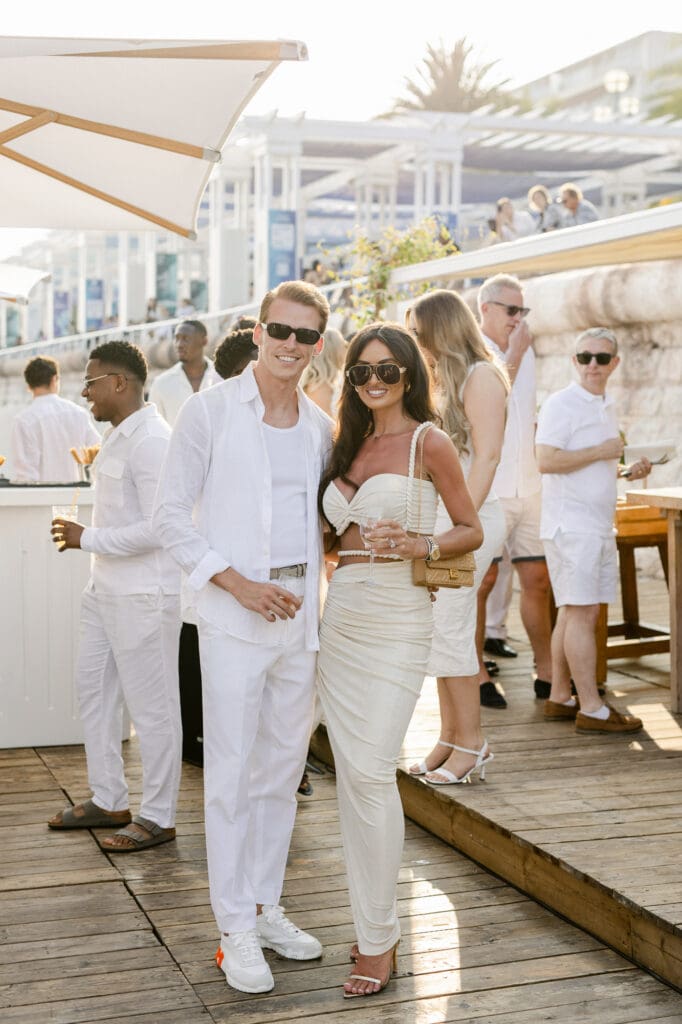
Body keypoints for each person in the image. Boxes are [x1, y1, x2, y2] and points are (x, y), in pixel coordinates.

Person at [153, 281, 332, 996]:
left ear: (319, 346)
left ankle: (264, 906)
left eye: (306, 336)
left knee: (281, 774)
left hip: (300, 622)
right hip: (234, 618)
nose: (291, 345)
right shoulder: (210, 411)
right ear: (257, 332)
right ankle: (232, 928)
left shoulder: (320, 425)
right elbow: (171, 519)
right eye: (280, 331)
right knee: (228, 775)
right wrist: (239, 585)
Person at [317, 322, 482, 998]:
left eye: (386, 368)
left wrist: (420, 546)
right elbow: (332, 542)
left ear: (410, 372)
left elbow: (471, 528)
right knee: (350, 780)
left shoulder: (427, 441)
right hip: (342, 618)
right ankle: (368, 925)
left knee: (368, 771)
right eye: (361, 371)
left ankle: (380, 940)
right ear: (350, 380)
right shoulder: (343, 443)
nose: (374, 380)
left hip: (397, 620)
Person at [48, 341, 182, 852]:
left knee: (153, 710)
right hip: (103, 589)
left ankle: (159, 815)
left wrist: (89, 538)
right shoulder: (121, 436)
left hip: (144, 596)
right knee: (94, 695)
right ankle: (109, 799)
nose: (84, 392)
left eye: (91, 381)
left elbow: (161, 528)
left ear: (120, 383)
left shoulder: (152, 440)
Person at [404, 290, 509, 785]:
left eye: (418, 334)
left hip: (475, 516)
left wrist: (460, 523)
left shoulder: (482, 376)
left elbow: (486, 457)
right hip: (450, 517)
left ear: (440, 331)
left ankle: (472, 743)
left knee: (450, 622)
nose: (415, 344)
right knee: (441, 626)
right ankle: (449, 738)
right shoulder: (447, 380)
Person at [536, 328, 647, 734]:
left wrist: (624, 470)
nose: (593, 365)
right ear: (574, 361)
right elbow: (546, 460)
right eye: (585, 357)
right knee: (583, 613)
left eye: (602, 358)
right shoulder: (562, 404)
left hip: (595, 525)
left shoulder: (604, 405)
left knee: (573, 610)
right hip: (573, 527)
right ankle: (593, 707)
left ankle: (560, 696)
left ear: (614, 363)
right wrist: (602, 452)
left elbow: (588, 464)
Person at [477, 274, 554, 707]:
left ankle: (547, 671)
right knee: (483, 580)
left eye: (523, 310)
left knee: (537, 579)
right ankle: (476, 671)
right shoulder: (474, 352)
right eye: (511, 310)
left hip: (531, 484)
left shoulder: (527, 351)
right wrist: (516, 353)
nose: (518, 319)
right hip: (492, 488)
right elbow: (490, 400)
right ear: (485, 308)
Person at [10, 356, 99, 483]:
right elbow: (99, 451)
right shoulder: (79, 413)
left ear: (28, 385)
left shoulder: (23, 420)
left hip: (43, 498)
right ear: (54, 379)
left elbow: (26, 475)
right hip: (76, 496)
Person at [148, 319, 221, 426]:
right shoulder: (161, 384)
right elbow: (154, 427)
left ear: (204, 341)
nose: (179, 344)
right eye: (176, 338)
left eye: (185, 339)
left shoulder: (221, 378)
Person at [300, 325, 347, 416]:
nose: (345, 350)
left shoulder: (312, 384)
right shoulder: (323, 389)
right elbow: (327, 428)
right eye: (343, 345)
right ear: (334, 351)